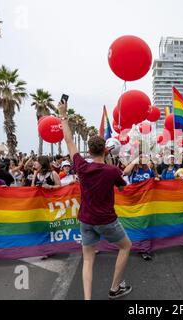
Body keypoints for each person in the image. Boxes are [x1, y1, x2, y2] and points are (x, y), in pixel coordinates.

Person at [59, 100, 132, 300]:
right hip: (107, 220)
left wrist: (63, 114)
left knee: (88, 260)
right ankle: (115, 288)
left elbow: (69, 141)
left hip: (86, 220)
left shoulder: (82, 167)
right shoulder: (111, 170)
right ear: (105, 151)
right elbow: (122, 184)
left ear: (89, 151)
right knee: (126, 247)